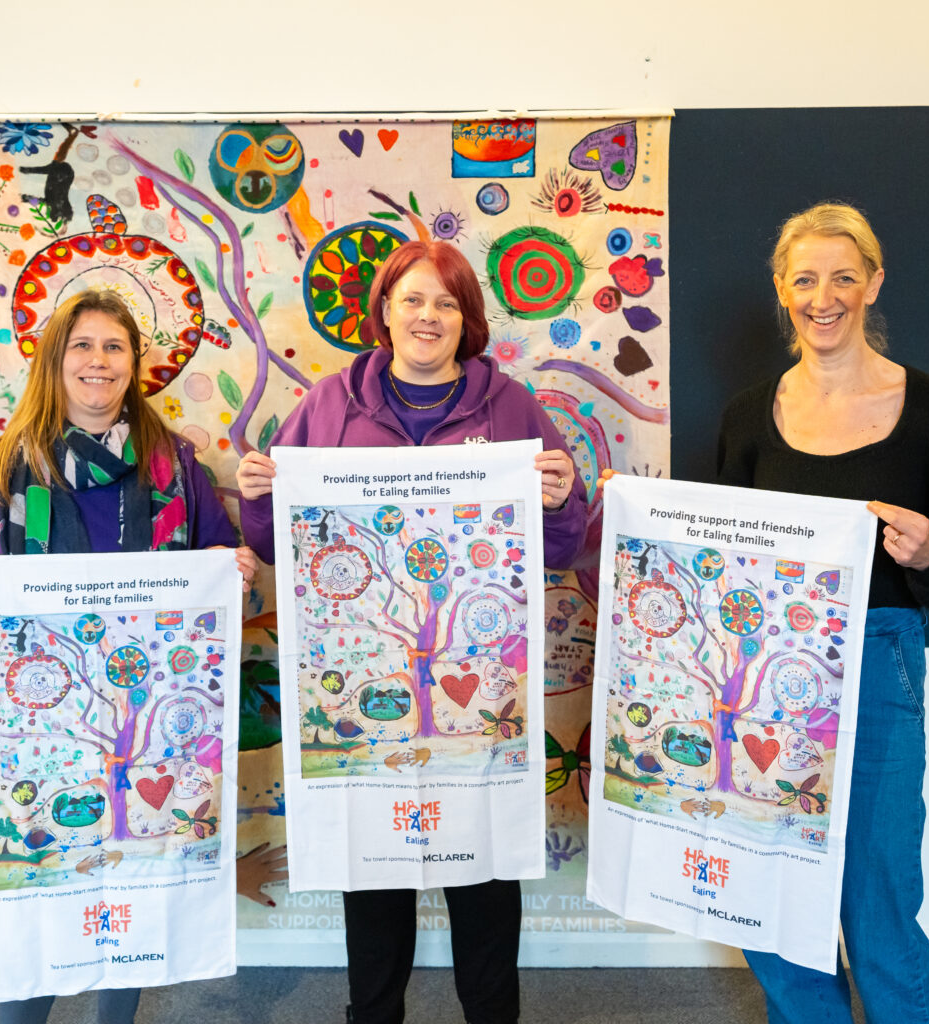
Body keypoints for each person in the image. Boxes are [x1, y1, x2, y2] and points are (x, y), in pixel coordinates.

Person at [237, 239, 589, 1024]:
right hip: (364, 693)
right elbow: (272, 542)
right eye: (412, 300)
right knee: (375, 879)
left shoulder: (513, 409)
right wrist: (260, 494)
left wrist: (564, 500)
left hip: (482, 693)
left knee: (485, 877)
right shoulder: (327, 407)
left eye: (446, 302)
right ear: (384, 312)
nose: (428, 316)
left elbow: (562, 550)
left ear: (466, 320)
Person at [0, 288, 254, 1024]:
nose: (98, 361)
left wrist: (230, 574)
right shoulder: (3, 468)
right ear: (56, 361)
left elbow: (211, 564)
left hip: (144, 718)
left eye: (114, 347)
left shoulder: (172, 467)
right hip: (47, 720)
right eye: (83, 346)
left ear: (134, 363)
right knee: (42, 878)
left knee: (133, 879)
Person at [716, 203, 929, 1024]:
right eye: (804, 279)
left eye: (843, 276)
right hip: (765, 669)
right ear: (782, 290)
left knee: (874, 897)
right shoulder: (745, 416)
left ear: (873, 283)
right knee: (767, 896)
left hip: (881, 656)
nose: (823, 295)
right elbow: (720, 559)